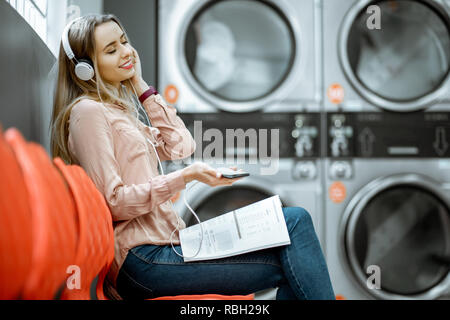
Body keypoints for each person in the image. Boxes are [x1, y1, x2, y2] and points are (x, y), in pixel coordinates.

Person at [50, 14, 335, 300]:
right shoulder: (87, 112)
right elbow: (114, 202)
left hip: (170, 246)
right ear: (84, 69)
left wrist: (141, 86)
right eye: (111, 50)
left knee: (293, 229)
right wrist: (185, 177)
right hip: (143, 260)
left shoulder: (119, 112)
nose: (126, 52)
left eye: (124, 42)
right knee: (295, 229)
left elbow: (181, 146)